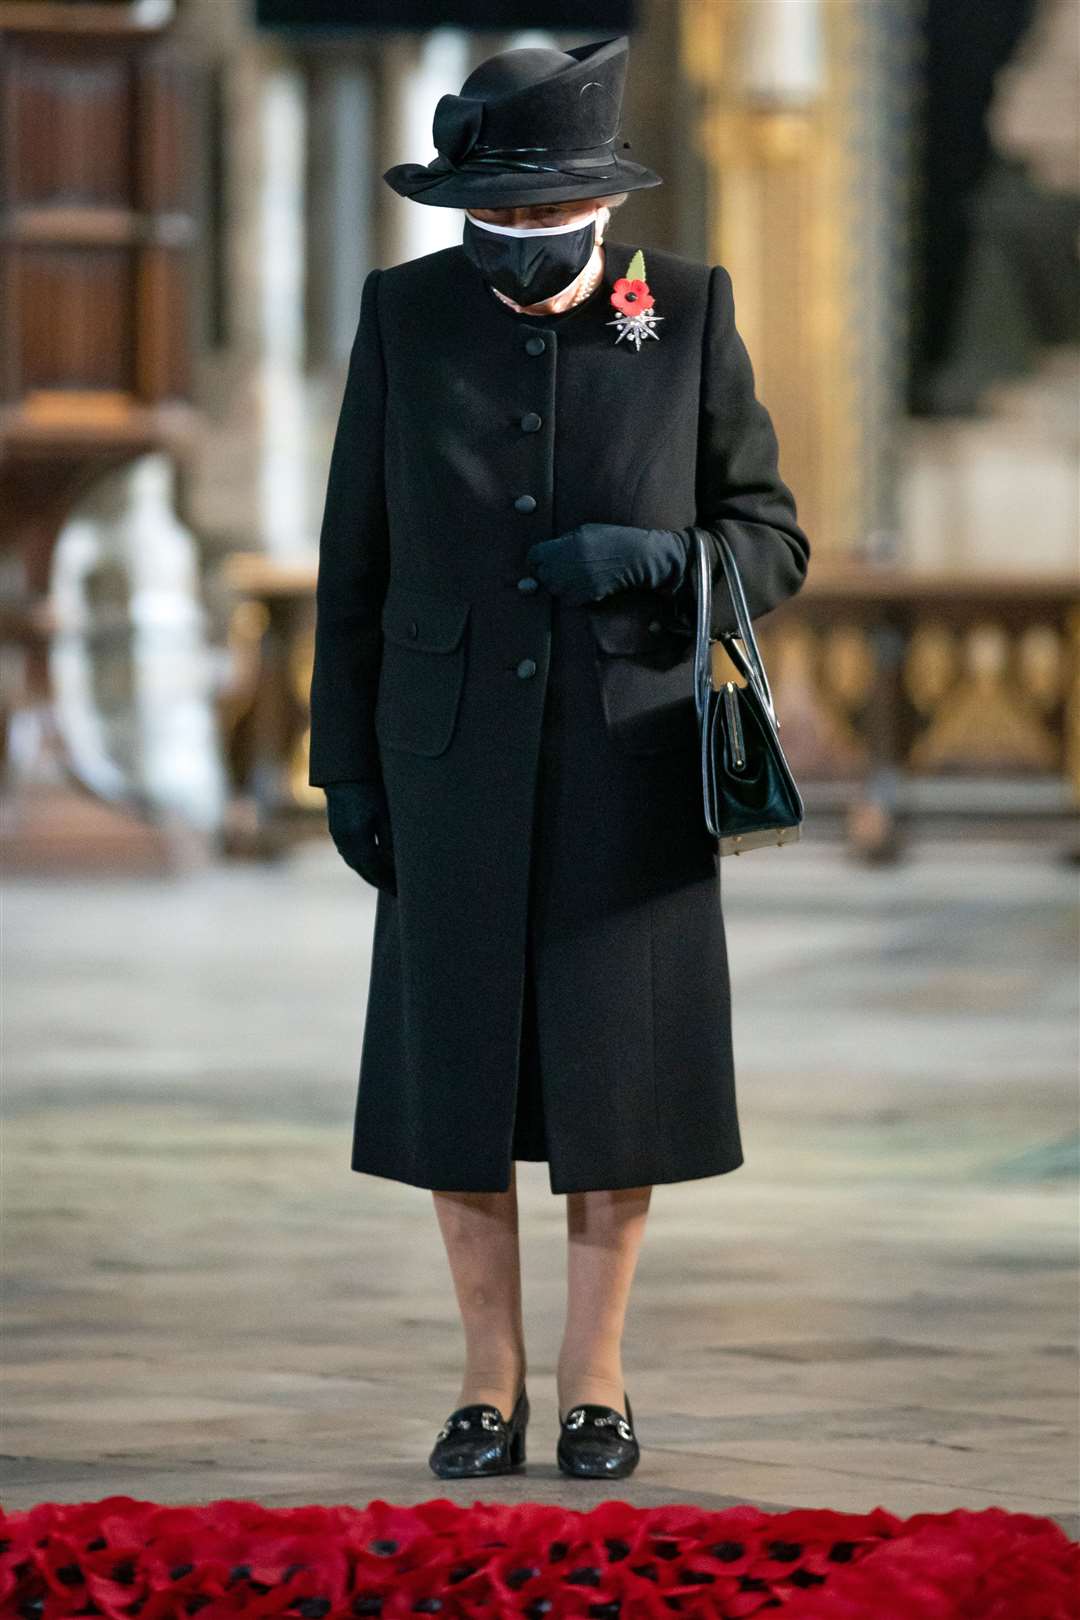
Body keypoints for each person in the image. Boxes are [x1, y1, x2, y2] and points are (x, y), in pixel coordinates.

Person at [307, 35, 811, 1481]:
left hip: (625, 761)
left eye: (547, 216)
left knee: (614, 1076)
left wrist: (663, 560)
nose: (523, 243)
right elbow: (358, 559)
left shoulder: (693, 313)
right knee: (454, 1071)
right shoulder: (403, 317)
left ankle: (597, 1379)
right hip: (448, 755)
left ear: (598, 201)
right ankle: (487, 1381)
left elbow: (773, 539)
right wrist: (346, 762)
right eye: (500, 218)